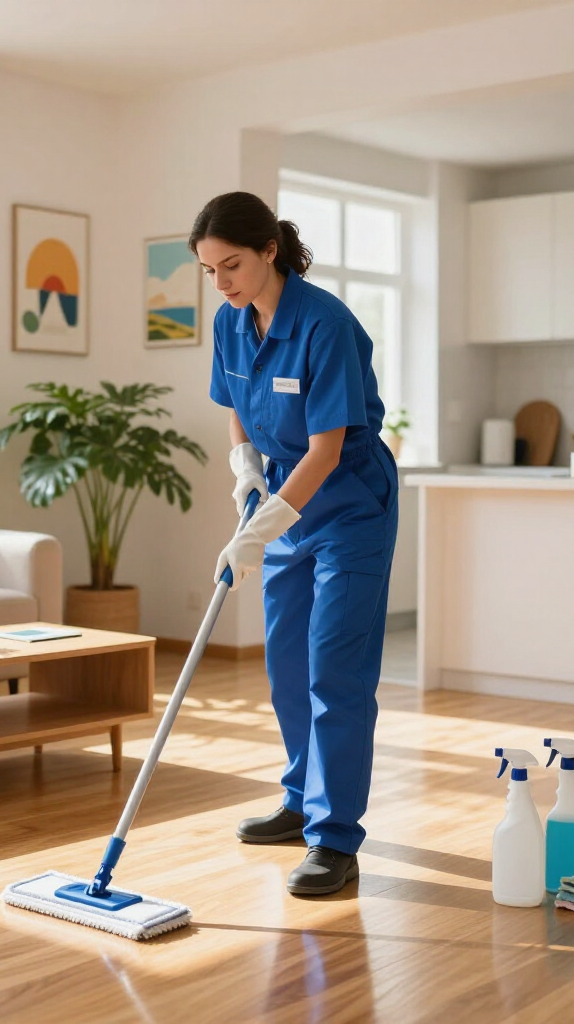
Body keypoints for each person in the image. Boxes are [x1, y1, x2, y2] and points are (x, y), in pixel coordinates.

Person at [190, 191, 399, 897]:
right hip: (282, 503)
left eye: (232, 264)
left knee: (334, 668)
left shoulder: (325, 324)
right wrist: (243, 468)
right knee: (284, 667)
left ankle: (335, 837)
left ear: (269, 250)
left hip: (348, 507)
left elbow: (328, 447)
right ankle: (300, 800)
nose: (222, 282)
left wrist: (260, 529)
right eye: (210, 270)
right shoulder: (230, 323)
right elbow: (237, 412)